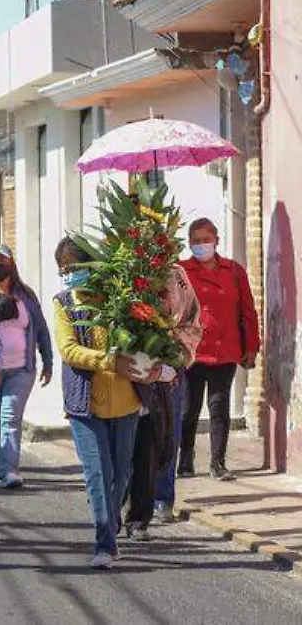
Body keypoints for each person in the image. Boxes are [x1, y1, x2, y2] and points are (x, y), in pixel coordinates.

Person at [52, 236, 142, 569]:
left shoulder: (119, 298)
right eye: (64, 269)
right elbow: (68, 350)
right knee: (98, 475)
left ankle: (110, 519)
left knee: (121, 473)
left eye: (75, 267)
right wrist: (107, 361)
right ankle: (105, 542)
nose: (69, 274)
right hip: (85, 406)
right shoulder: (64, 303)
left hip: (127, 403)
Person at [178, 218, 260, 480]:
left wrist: (252, 346)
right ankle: (185, 461)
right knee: (188, 410)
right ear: (189, 243)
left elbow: (248, 310)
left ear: (216, 241)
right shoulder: (181, 271)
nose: (201, 245)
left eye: (206, 240)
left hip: (224, 350)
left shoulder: (233, 271)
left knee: (219, 407)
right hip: (191, 352)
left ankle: (218, 463)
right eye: (196, 241)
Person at [125, 264, 201, 540]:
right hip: (125, 368)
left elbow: (191, 316)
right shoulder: (121, 271)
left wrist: (175, 354)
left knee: (163, 436)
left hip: (168, 368)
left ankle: (158, 500)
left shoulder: (175, 275)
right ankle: (118, 501)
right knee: (127, 440)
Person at [0, 244, 53, 488]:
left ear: (11, 263)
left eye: (2, 260)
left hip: (21, 368)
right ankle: (0, 467)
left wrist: (47, 360)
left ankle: (9, 471)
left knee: (10, 417)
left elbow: (41, 328)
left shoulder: (26, 295)